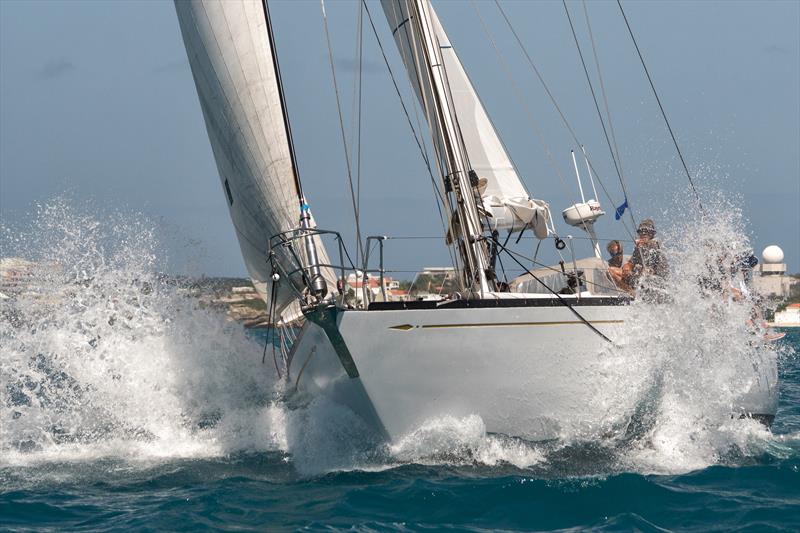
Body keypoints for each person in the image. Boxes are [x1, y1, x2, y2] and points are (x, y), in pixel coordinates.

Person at [608, 219, 668, 295]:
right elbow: (631, 262)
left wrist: (645, 243)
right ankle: (633, 293)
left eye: (646, 231)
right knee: (611, 271)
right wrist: (627, 267)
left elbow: (654, 245)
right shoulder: (639, 248)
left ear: (652, 233)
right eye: (641, 231)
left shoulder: (657, 245)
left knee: (644, 272)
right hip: (640, 280)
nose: (643, 233)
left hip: (656, 283)